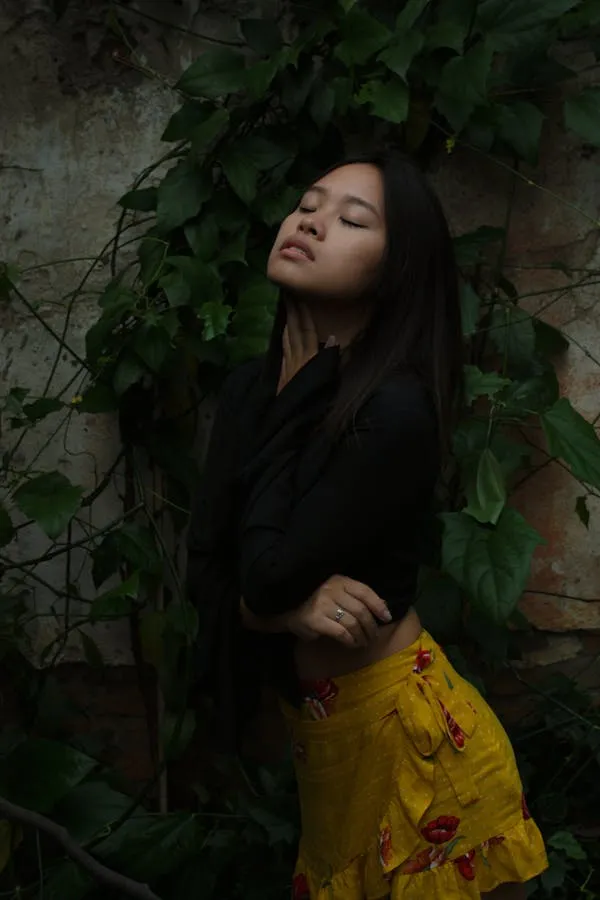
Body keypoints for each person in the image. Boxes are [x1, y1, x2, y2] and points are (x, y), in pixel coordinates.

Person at [187, 152, 548, 899]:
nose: (312, 221)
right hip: (329, 753)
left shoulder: (393, 411)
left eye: (351, 220)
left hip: (416, 751)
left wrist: (268, 598)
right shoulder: (252, 391)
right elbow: (209, 570)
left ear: (395, 272)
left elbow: (262, 571)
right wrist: (279, 610)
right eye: (307, 205)